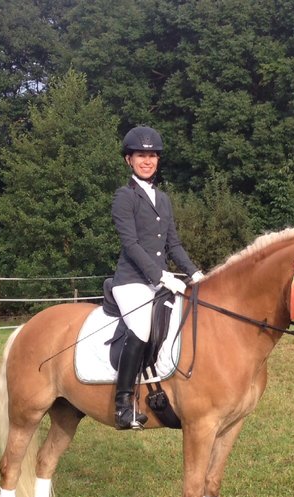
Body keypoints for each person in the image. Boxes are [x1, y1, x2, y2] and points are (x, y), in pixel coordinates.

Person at [111, 125, 203, 430]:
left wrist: (194, 273)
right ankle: (123, 404)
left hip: (159, 279)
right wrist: (161, 276)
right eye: (141, 155)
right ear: (129, 160)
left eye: (151, 155)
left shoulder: (163, 199)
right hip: (131, 280)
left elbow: (173, 243)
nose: (147, 160)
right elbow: (131, 244)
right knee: (141, 327)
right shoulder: (124, 197)